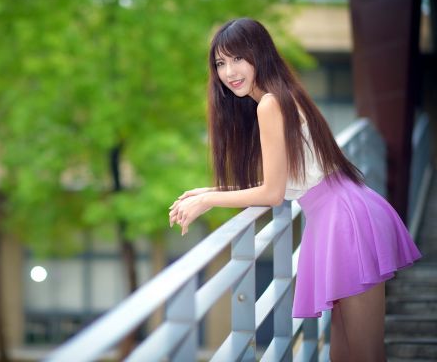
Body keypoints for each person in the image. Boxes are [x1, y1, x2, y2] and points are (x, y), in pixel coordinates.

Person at [168, 18, 421, 361]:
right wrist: (207, 190)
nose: (229, 72)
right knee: (344, 354)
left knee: (364, 354)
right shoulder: (278, 97)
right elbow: (285, 180)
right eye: (220, 63)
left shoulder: (270, 104)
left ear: (259, 54)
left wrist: (210, 199)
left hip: (346, 222)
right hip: (340, 216)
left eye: (237, 58)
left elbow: (272, 193)